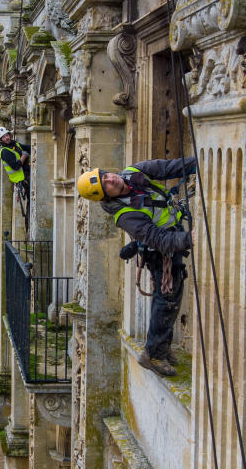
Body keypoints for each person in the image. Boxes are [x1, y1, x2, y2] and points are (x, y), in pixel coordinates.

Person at [76, 157, 196, 377]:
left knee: (169, 296)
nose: (111, 179)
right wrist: (188, 239)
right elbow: (156, 237)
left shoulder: (133, 172)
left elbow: (167, 167)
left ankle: (162, 347)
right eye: (106, 185)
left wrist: (197, 161)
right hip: (161, 253)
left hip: (169, 242)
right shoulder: (125, 215)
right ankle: (153, 355)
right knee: (167, 299)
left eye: (106, 176)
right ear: (105, 196)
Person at [0, 126, 31, 191]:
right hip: (21, 180)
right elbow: (16, 166)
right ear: (0, 140)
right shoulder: (5, 151)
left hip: (26, 175)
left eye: (7, 135)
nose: (7, 138)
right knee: (28, 200)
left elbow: (27, 147)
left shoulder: (15, 144)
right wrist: (24, 156)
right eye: (4, 137)